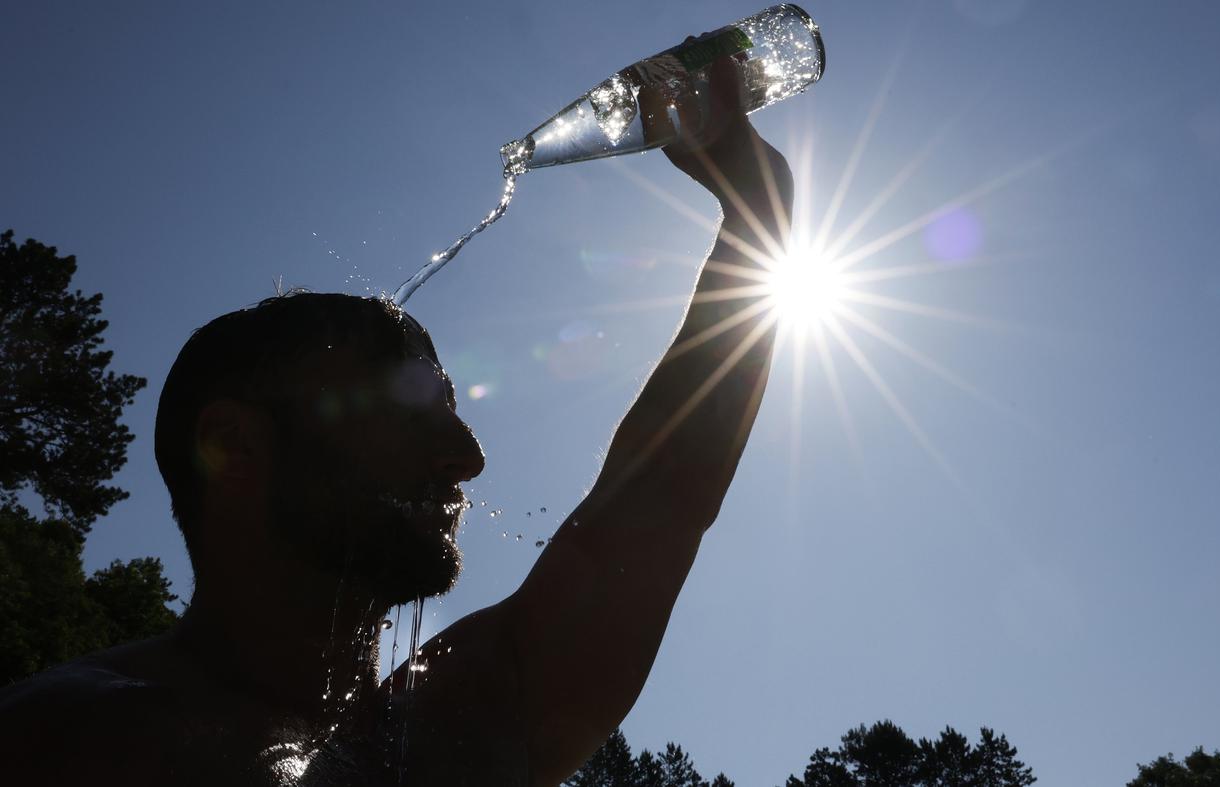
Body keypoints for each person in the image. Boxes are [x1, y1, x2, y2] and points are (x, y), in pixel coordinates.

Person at [0, 55, 793, 787]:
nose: (467, 454)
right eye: (405, 404)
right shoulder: (73, 740)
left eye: (449, 406)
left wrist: (760, 213)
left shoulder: (467, 720)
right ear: (233, 445)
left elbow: (661, 499)